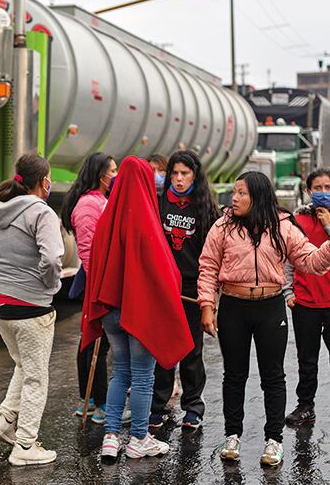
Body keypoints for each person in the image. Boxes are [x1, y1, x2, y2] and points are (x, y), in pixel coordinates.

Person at [198, 171, 330, 466]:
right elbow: (208, 267)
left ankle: (273, 440)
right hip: (234, 308)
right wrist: (206, 305)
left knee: (273, 377)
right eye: (235, 192)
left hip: (270, 308)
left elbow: (311, 261)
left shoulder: (283, 227)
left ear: (258, 196)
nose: (235, 198)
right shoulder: (222, 226)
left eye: (242, 193)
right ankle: (232, 435)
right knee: (234, 376)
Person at [81, 156, 194, 461]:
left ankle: (111, 437)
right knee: (143, 376)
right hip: (137, 312)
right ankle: (139, 438)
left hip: (110, 312)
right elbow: (164, 270)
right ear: (145, 182)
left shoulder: (107, 219)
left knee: (120, 371)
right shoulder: (146, 221)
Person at [0, 153, 63, 466]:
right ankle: (24, 446)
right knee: (37, 377)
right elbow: (50, 260)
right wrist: (48, 285)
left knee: (23, 364)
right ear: (45, 182)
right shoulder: (42, 214)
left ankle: (6, 420)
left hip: (0, 303)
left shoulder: (0, 209)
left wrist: (1, 268)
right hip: (31, 307)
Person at [281, 168, 330, 437]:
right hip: (306, 303)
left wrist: (329, 225)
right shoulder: (298, 220)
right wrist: (288, 293)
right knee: (307, 360)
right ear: (308, 191)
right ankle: (305, 407)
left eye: (329, 187)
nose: (324, 192)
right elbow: (288, 259)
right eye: (318, 188)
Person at [149, 150, 221, 431]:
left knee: (191, 352)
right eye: (174, 174)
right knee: (163, 351)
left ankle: (193, 406)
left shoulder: (205, 208)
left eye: (185, 174)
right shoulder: (158, 205)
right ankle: (159, 405)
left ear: (195, 176)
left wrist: (210, 298)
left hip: (193, 288)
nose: (179, 180)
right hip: (164, 287)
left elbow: (214, 256)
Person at [60, 153, 118, 424]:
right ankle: (99, 404)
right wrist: (101, 287)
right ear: (99, 175)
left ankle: (92, 400)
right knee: (95, 342)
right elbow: (88, 253)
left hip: (100, 282)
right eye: (112, 171)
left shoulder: (99, 201)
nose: (115, 176)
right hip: (97, 284)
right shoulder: (88, 206)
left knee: (93, 341)